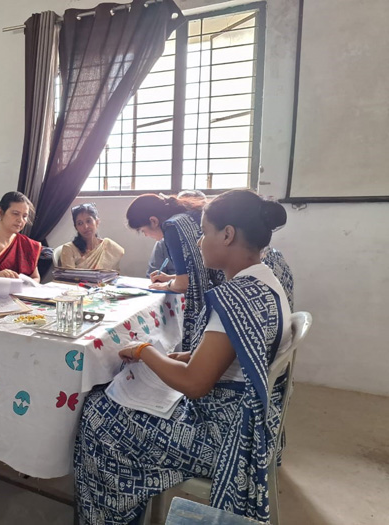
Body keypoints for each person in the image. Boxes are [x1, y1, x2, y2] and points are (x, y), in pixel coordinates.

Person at [74, 190, 293, 524]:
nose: (200, 241)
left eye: (204, 232)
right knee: (132, 392)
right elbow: (237, 349)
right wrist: (184, 355)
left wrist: (145, 350)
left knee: (97, 414)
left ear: (228, 235)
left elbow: (194, 385)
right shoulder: (265, 280)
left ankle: (108, 517)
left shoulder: (235, 299)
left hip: (225, 435)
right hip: (250, 419)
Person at [126, 193, 209, 352]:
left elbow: (184, 284)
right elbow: (197, 271)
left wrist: (166, 285)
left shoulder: (172, 227)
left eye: (143, 230)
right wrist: (170, 278)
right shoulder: (188, 216)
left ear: (153, 221)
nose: (145, 235)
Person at [146, 190, 207, 277]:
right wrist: (168, 279)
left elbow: (196, 277)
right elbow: (152, 274)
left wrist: (170, 282)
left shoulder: (207, 239)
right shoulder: (164, 240)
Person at [59, 202, 124, 270]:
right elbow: (69, 275)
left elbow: (114, 274)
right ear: (76, 227)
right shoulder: (69, 249)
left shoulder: (108, 246)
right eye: (80, 223)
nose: (85, 226)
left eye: (88, 221)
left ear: (97, 222)